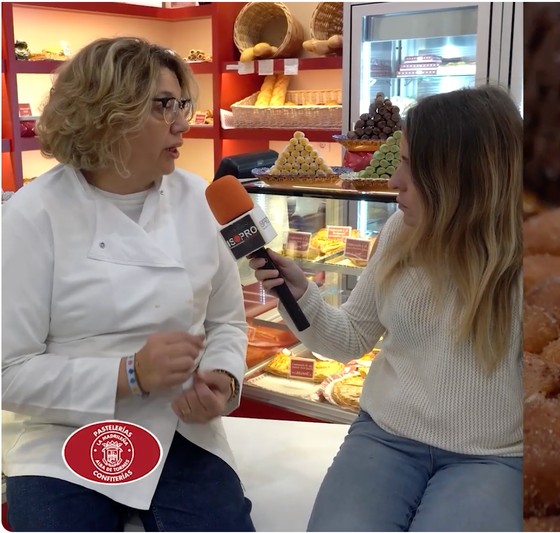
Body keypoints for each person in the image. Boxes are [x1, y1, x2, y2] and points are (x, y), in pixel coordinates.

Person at [2, 37, 254, 532]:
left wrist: (222, 378)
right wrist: (129, 374)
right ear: (106, 114)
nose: (183, 122)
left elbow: (227, 321)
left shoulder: (200, 200)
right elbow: (8, 372)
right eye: (164, 106)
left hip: (182, 427)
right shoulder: (32, 216)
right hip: (66, 432)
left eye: (182, 104)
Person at [249, 85, 523, 532]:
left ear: (461, 176)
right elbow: (351, 338)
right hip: (386, 435)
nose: (394, 180)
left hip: (493, 457)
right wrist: (300, 295)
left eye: (411, 167)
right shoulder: (401, 229)